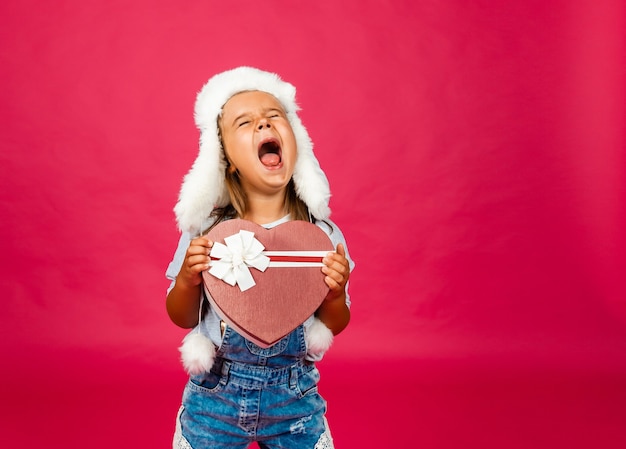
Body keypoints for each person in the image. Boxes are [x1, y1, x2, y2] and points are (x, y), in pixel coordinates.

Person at [165, 67, 354, 449]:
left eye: (274, 117)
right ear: (226, 158)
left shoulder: (321, 236)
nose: (264, 124)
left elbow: (336, 322)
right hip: (214, 399)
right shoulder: (206, 232)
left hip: (294, 402)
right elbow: (181, 316)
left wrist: (335, 294)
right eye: (246, 122)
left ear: (295, 140)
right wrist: (187, 279)